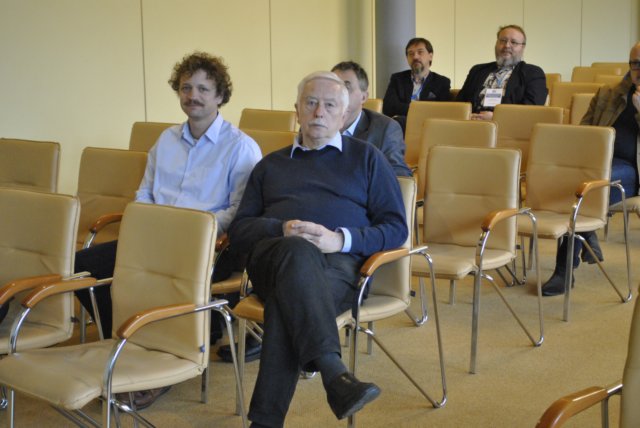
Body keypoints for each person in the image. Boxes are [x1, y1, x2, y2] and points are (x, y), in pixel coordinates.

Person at [73, 51, 261, 407]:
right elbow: (145, 192)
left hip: (207, 246)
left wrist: (192, 230)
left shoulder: (241, 147)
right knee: (82, 267)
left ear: (220, 96)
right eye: (186, 88)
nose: (193, 96)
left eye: (203, 89)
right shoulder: (166, 140)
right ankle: (131, 345)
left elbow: (240, 210)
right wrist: (146, 226)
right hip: (152, 239)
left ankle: (162, 367)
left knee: (157, 278)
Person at [228, 71, 408, 427]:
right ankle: (332, 370)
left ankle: (267, 421)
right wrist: (281, 228)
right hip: (273, 260)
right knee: (296, 251)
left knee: (287, 302)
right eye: (310, 103)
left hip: (340, 268)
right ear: (296, 110)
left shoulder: (367, 159)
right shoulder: (270, 165)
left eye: (329, 105)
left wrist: (340, 239)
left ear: (344, 114)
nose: (319, 112)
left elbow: (396, 228)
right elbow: (240, 230)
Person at [541, 42, 640, 296]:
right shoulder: (608, 94)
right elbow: (583, 134)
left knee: (586, 189)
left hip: (631, 170)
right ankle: (587, 230)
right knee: (577, 185)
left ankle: (564, 270)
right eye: (635, 64)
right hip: (595, 165)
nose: (639, 70)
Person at [331, 61, 412, 176]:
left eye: (346, 88)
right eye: (333, 88)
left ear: (364, 97)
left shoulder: (385, 130)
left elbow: (399, 176)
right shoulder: (316, 124)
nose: (337, 95)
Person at [456, 25, 547, 120]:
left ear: (522, 47)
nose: (507, 45)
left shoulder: (533, 73)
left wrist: (497, 117)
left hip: (508, 126)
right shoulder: (477, 70)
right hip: (470, 122)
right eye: (503, 40)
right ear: (496, 44)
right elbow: (459, 103)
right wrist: (466, 116)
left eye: (514, 42)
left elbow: (532, 109)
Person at [382, 37, 451, 123]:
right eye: (411, 53)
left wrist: (406, 109)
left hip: (428, 126)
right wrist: (422, 110)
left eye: (420, 52)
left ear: (430, 56)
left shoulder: (442, 82)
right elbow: (388, 107)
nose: (415, 57)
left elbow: (442, 111)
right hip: (400, 125)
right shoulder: (398, 79)